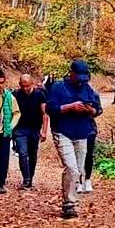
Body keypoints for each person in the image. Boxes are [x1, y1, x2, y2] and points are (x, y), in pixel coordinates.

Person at [46, 59, 103, 219]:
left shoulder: (88, 89)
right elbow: (50, 108)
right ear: (71, 73)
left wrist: (89, 109)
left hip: (82, 133)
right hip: (62, 131)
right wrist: (69, 107)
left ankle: (71, 202)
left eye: (84, 78)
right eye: (78, 77)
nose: (81, 81)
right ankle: (69, 204)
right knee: (71, 167)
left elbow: (98, 110)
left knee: (78, 170)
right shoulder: (58, 87)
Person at [12, 73, 47, 190]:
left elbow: (44, 114)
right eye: (22, 86)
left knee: (32, 155)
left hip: (34, 129)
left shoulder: (40, 94)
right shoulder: (16, 95)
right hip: (20, 129)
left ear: (32, 84)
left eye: (27, 86)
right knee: (22, 153)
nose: (25, 88)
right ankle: (26, 179)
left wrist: (44, 131)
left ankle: (30, 177)